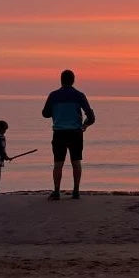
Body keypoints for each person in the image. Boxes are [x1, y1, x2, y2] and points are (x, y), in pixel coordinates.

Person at [42, 70, 95, 200]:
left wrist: (56, 111)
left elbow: (45, 114)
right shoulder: (79, 95)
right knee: (76, 162)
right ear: (73, 80)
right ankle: (76, 191)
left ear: (61, 80)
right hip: (75, 132)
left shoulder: (53, 95)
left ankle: (56, 191)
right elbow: (91, 117)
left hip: (59, 133)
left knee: (58, 163)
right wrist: (85, 125)